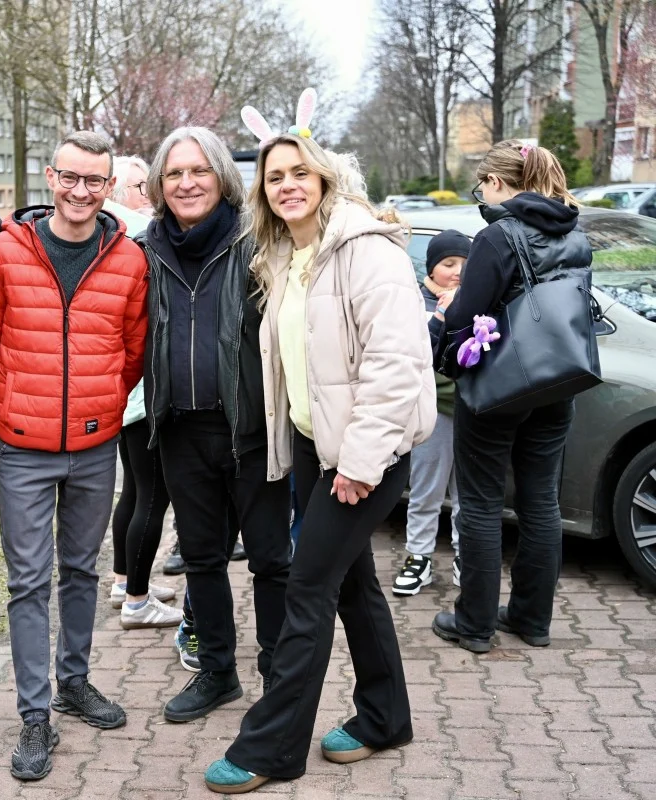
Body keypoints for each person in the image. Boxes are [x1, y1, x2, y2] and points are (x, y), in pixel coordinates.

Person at [204, 99, 434, 793]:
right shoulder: (287, 258)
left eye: (300, 171)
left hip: (370, 452)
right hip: (313, 446)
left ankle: (271, 749)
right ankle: (384, 716)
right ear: (264, 192)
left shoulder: (365, 249)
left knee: (307, 588)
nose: (287, 185)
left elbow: (395, 367)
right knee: (353, 584)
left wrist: (361, 464)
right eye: (275, 177)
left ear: (326, 178)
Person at [0, 131, 148, 782]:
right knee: (29, 581)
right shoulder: (5, 251)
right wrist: (17, 404)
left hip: (95, 444)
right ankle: (34, 713)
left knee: (81, 571)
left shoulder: (128, 260)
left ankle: (75, 681)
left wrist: (102, 403)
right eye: (69, 178)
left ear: (110, 187)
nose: (80, 191)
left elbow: (132, 350)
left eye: (95, 181)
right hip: (24, 449)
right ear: (50, 178)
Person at [140, 126, 292, 724]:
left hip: (251, 430)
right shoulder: (146, 247)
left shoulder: (258, 239)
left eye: (199, 171)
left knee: (271, 560)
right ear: (158, 184)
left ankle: (280, 676)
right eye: (174, 173)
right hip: (180, 429)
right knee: (201, 558)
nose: (186, 183)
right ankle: (217, 673)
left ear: (223, 177)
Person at [429, 141, 590, 653]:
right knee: (541, 500)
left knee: (478, 503)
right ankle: (531, 620)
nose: (483, 196)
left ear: (498, 183)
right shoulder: (574, 230)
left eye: (483, 187)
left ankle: (474, 625)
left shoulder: (499, 236)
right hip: (558, 381)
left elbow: (463, 317)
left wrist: (447, 309)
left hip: (500, 385)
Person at [105, 155, 181, 629]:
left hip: (124, 395)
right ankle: (136, 600)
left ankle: (122, 581)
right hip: (144, 398)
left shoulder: (107, 230)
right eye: (143, 184)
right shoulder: (135, 229)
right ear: (119, 189)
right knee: (153, 497)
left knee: (133, 492)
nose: (152, 194)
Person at [395, 230, 468, 596]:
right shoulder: (417, 304)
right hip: (433, 412)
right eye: (448, 264)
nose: (456, 272)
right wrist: (441, 316)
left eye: (464, 265)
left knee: (467, 494)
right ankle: (419, 556)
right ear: (431, 269)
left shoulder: (479, 299)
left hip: (472, 411)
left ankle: (464, 556)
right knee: (427, 489)